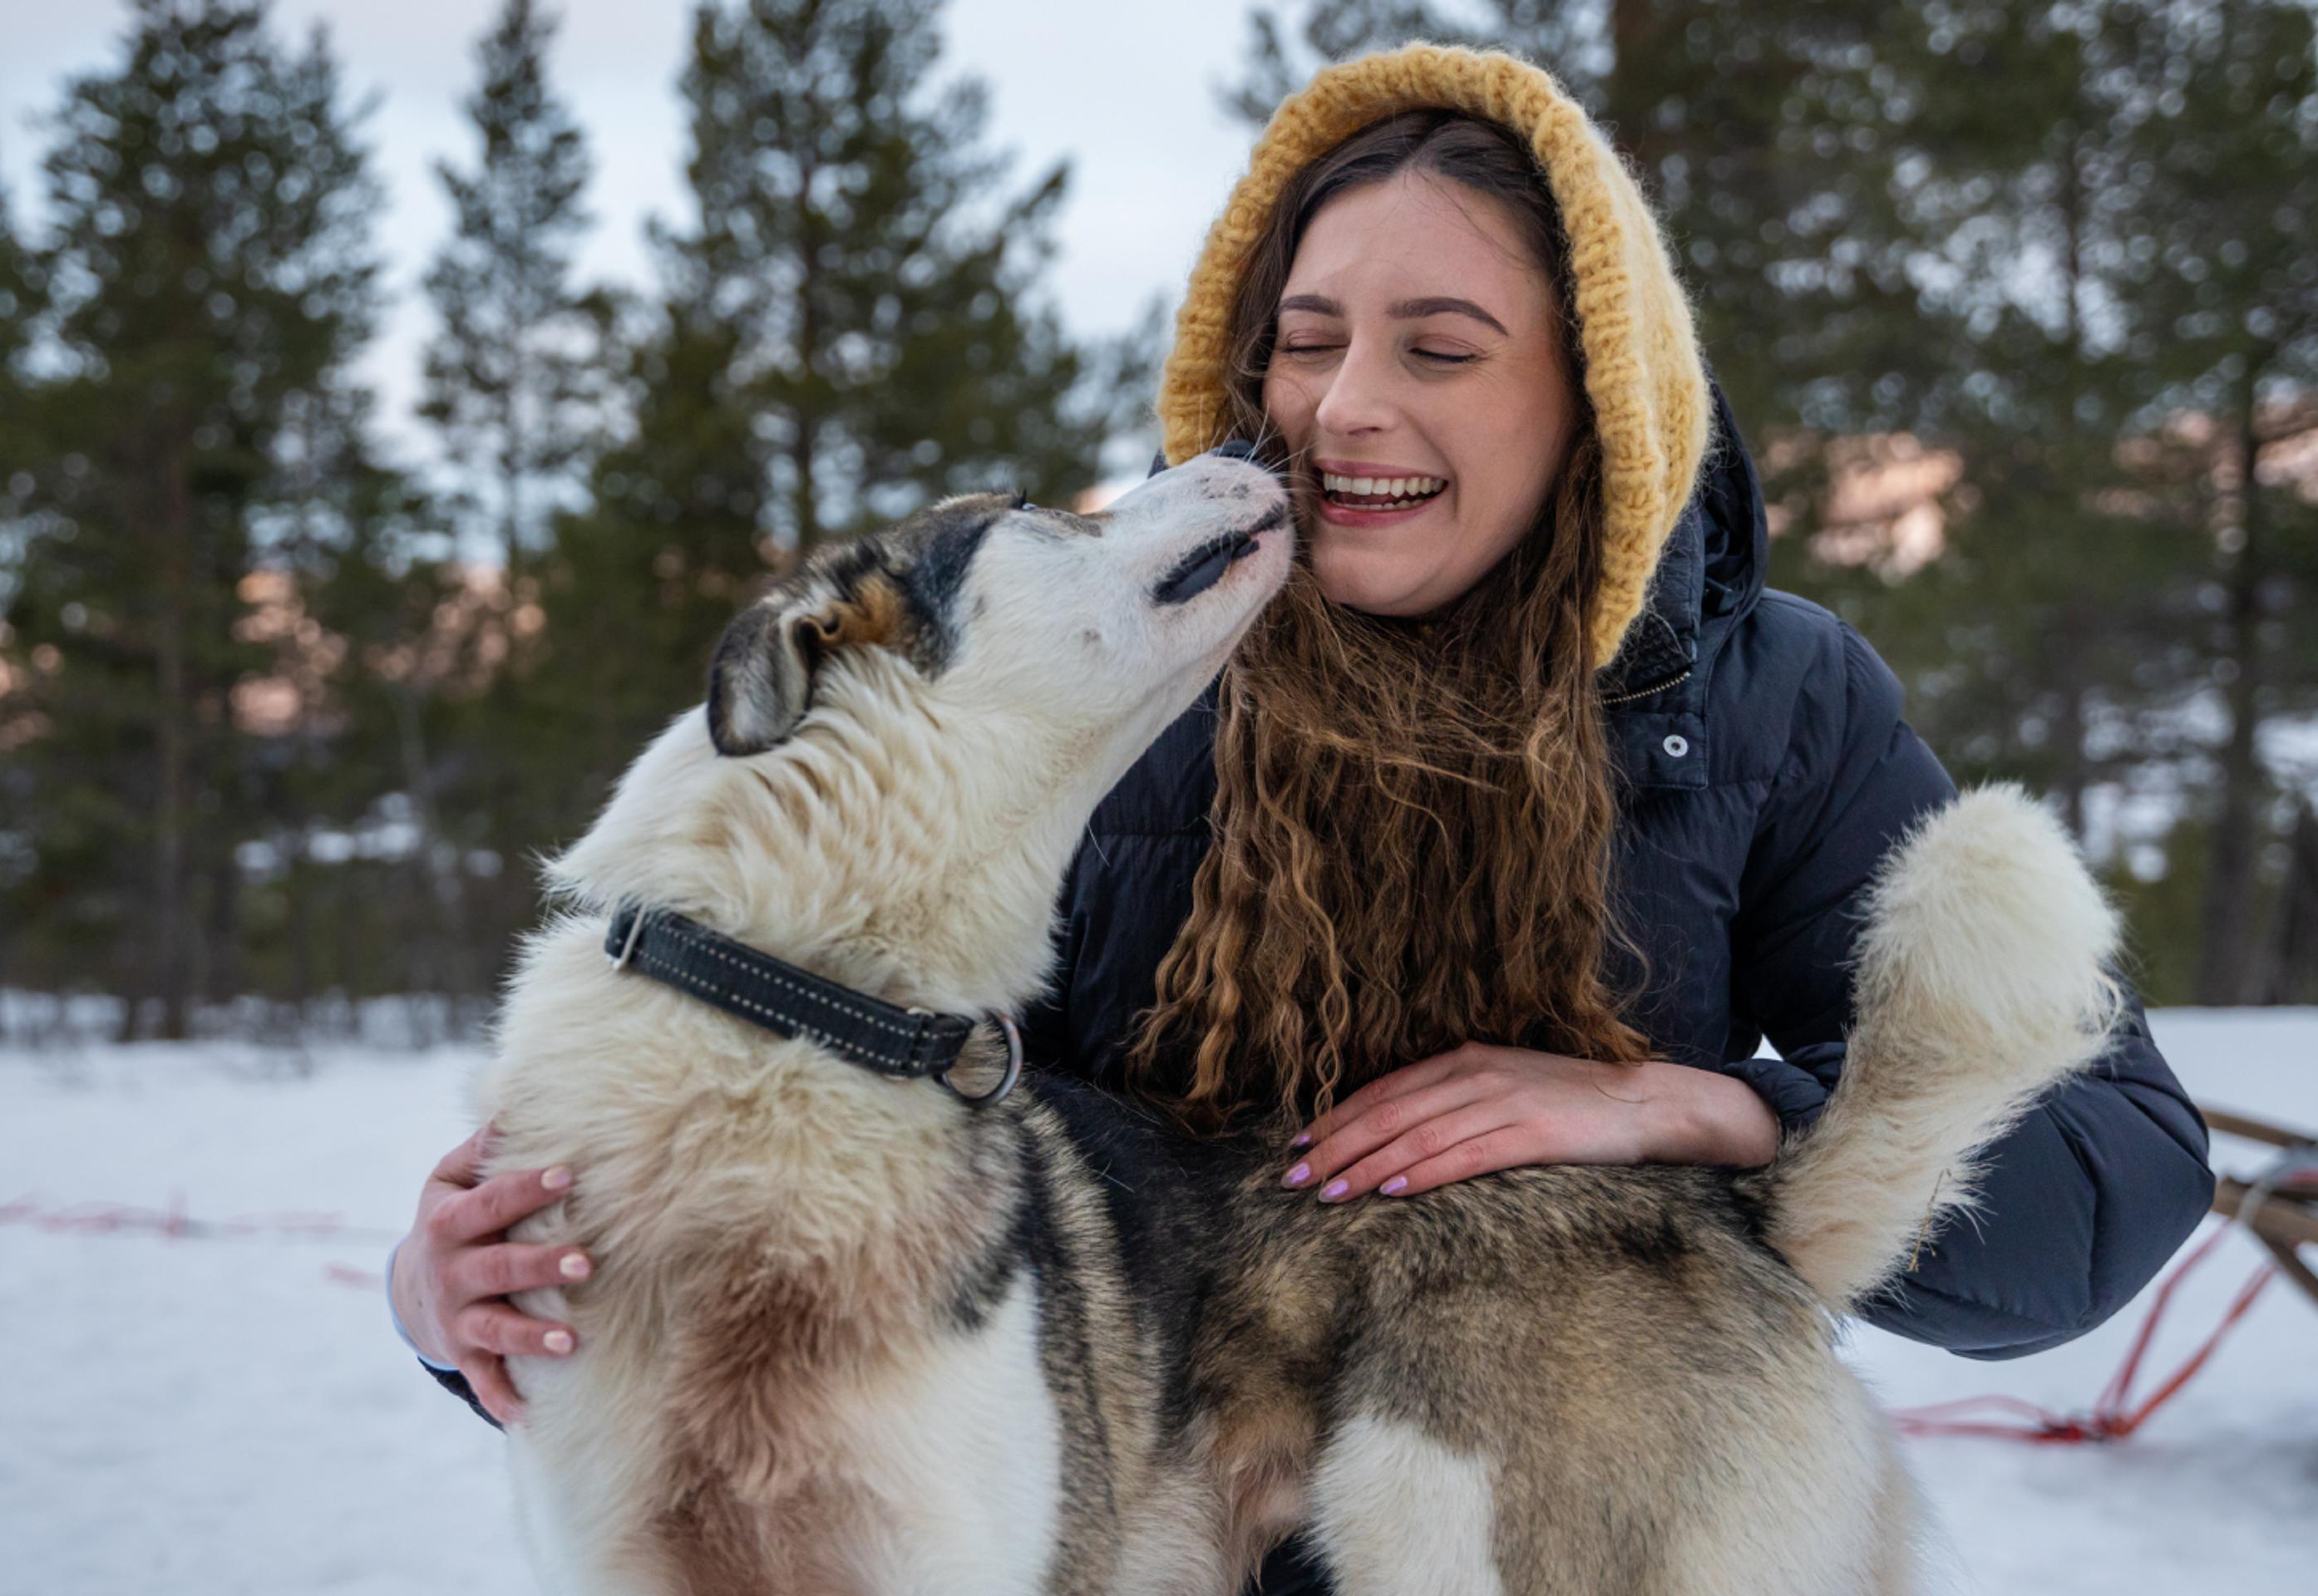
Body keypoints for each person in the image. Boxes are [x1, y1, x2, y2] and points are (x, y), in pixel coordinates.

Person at [390, 44, 2215, 1594]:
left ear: (1595, 397)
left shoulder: (1768, 697)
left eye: (1441, 347)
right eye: (1308, 338)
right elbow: (878, 1143)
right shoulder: (1122, 699)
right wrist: (486, 1291)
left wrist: (1710, 1106)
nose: (1344, 407)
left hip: (1598, 1477)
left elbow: (2106, 1175)